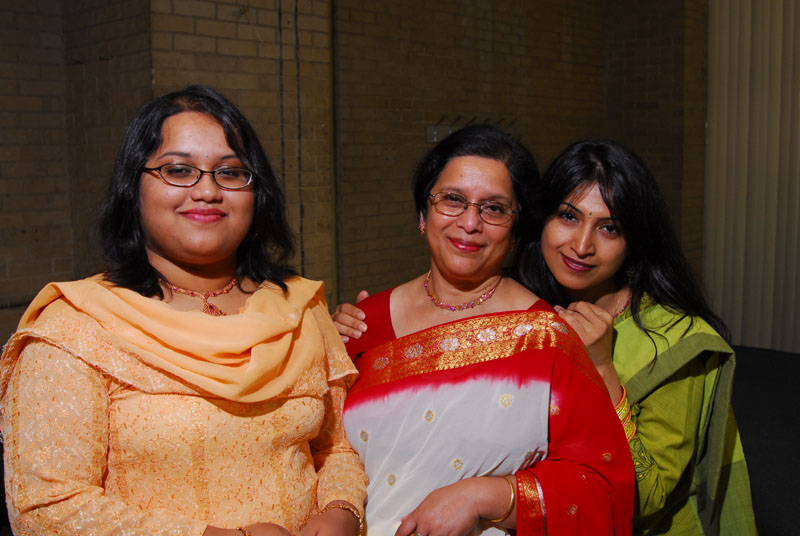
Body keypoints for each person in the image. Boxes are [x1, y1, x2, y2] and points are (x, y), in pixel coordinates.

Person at [335, 139, 755, 535]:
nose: (582, 245)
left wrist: (602, 365)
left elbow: (645, 495)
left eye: (610, 228)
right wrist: (340, 337)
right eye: (569, 217)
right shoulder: (527, 306)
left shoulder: (675, 340)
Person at [0, 85, 366, 536]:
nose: (208, 190)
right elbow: (46, 509)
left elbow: (338, 448)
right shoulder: (77, 327)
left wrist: (341, 510)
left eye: (230, 173)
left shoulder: (297, 308)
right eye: (178, 170)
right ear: (133, 188)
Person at [337, 125, 634, 536]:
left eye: (494, 209)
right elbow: (314, 450)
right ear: (424, 213)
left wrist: (487, 496)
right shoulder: (362, 325)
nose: (470, 222)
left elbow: (601, 489)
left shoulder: (545, 337)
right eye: (452, 200)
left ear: (515, 232)